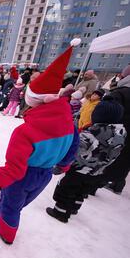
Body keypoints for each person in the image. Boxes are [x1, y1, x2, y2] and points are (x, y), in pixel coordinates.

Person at [0, 39, 82, 245]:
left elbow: (14, 169)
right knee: (20, 201)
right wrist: (64, 165)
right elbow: (73, 146)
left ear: (34, 101)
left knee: (11, 207)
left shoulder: (25, 131)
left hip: (23, 176)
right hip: (45, 174)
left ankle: (6, 231)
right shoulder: (69, 122)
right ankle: (5, 206)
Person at [47, 101, 126, 223]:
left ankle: (60, 212)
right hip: (97, 171)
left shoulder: (93, 133)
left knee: (67, 189)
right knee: (82, 190)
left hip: (80, 168)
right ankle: (74, 208)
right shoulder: (120, 134)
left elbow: (76, 149)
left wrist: (63, 160)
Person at [99, 64, 130, 194]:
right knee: (126, 157)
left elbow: (107, 110)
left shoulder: (121, 92)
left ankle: (103, 179)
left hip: (118, 129)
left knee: (112, 154)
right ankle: (118, 183)